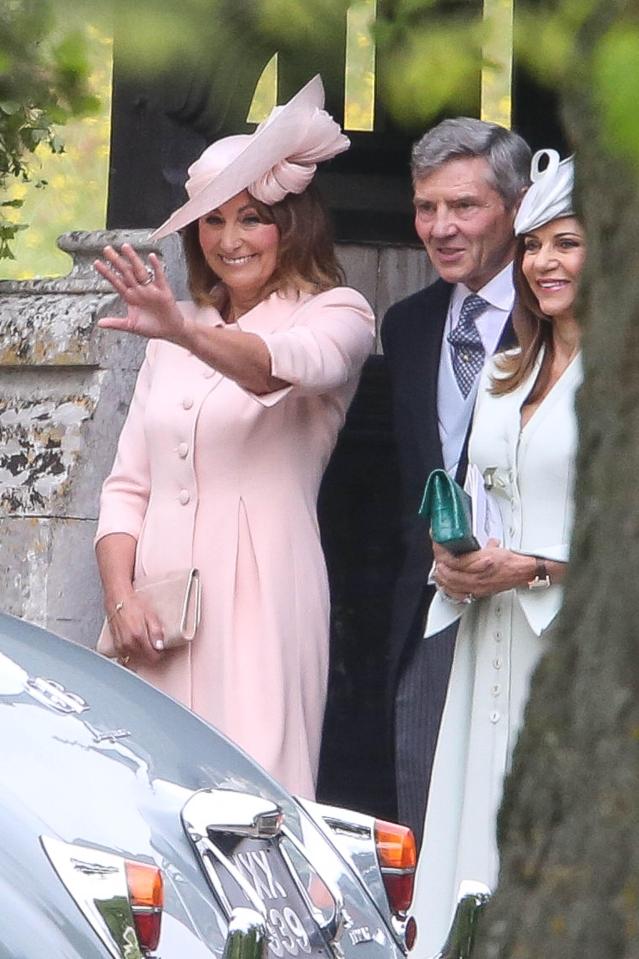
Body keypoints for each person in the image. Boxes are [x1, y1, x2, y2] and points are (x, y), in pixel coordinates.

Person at [93, 75, 375, 799]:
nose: (229, 239)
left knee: (252, 796)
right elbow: (127, 486)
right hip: (154, 606)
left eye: (251, 218)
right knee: (149, 797)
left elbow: (283, 369)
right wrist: (120, 597)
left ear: (292, 224)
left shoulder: (337, 310)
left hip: (262, 592)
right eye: (212, 222)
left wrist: (184, 328)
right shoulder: (174, 330)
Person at [411, 150, 583, 952]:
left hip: (578, 647)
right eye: (533, 245)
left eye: (568, 243)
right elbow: (482, 502)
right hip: (489, 640)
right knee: (472, 830)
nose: (544, 262)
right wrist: (455, 565)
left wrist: (538, 566)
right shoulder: (507, 371)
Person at [381, 118, 531, 844]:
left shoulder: (562, 322)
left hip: (534, 606)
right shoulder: (405, 326)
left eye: (462, 206)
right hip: (429, 609)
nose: (439, 226)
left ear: (515, 205)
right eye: (425, 207)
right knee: (423, 822)